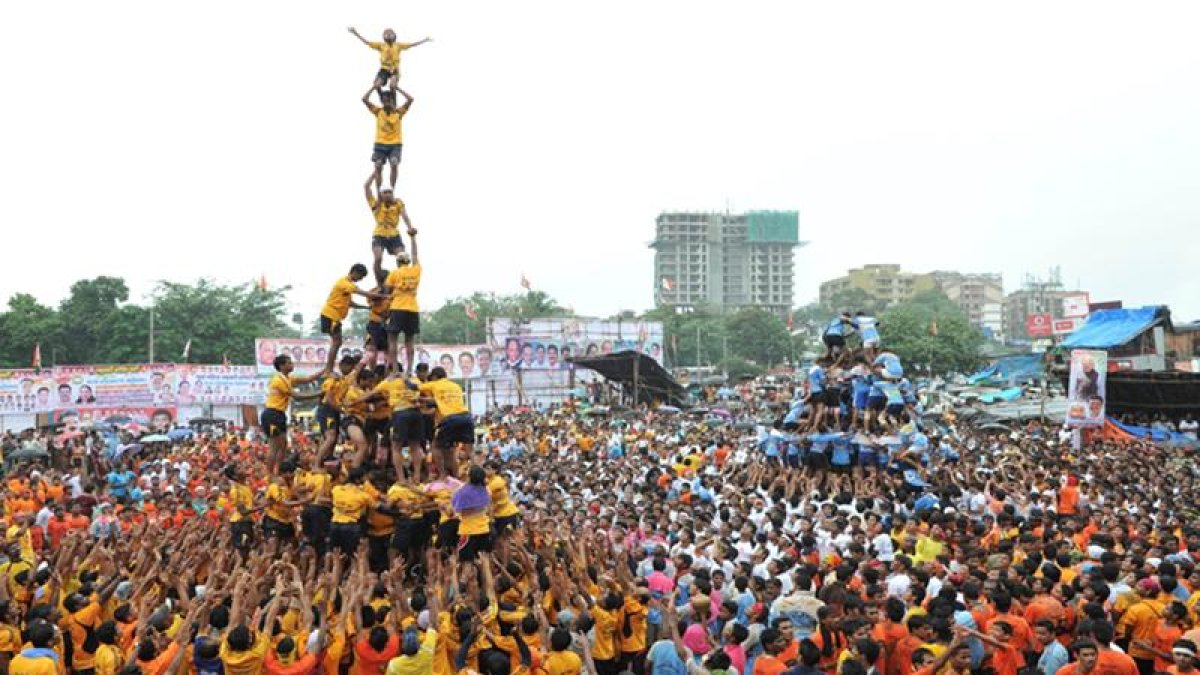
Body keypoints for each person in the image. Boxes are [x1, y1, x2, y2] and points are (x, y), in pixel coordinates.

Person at [261, 354, 328, 472]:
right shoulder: (278, 380)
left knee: (283, 445)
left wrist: (325, 370)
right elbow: (297, 396)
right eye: (289, 363)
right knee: (274, 446)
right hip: (272, 414)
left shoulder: (288, 378)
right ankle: (270, 474)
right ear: (281, 366)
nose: (292, 364)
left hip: (279, 414)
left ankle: (277, 471)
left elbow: (308, 379)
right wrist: (319, 393)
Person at [320, 264, 379, 375]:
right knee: (337, 342)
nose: (359, 280)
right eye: (360, 277)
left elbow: (350, 303)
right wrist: (380, 296)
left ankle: (329, 368)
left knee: (337, 342)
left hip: (334, 317)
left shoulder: (348, 285)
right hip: (330, 315)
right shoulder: (344, 283)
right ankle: (328, 369)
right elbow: (362, 292)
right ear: (354, 272)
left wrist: (366, 307)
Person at [419, 366, 472, 478]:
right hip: (466, 417)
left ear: (434, 377)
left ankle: (443, 475)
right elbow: (441, 400)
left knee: (435, 446)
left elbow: (416, 387)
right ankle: (457, 476)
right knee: (451, 450)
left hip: (450, 419)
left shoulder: (435, 384)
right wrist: (425, 401)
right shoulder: (455, 386)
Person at [362, 84, 413, 192]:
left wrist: (397, 88)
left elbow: (410, 99)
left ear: (392, 101)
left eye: (388, 101)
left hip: (395, 144)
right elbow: (364, 99)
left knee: (394, 163)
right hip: (380, 143)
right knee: (378, 165)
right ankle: (379, 191)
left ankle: (391, 189)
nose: (386, 103)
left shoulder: (398, 112)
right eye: (384, 101)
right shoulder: (378, 111)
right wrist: (373, 87)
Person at [346, 27, 431, 91]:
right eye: (386, 34)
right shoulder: (381, 45)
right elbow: (367, 42)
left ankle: (393, 98)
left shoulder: (398, 45)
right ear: (384, 36)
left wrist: (424, 40)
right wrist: (355, 33)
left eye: (390, 34)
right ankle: (382, 95)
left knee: (392, 86)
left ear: (394, 36)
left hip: (394, 69)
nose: (388, 35)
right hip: (384, 69)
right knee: (377, 85)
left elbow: (412, 44)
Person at [384, 229, 421, 374]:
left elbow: (387, 291)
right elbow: (415, 254)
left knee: (392, 339)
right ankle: (409, 370)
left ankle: (394, 370)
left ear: (398, 262)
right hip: (413, 308)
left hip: (398, 307)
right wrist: (413, 239)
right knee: (409, 341)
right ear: (408, 261)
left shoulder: (394, 273)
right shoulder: (416, 270)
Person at [365, 180, 413, 283]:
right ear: (381, 194)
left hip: (394, 234)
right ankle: (380, 284)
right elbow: (366, 187)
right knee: (378, 258)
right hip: (379, 234)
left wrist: (410, 227)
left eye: (389, 192)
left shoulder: (398, 202)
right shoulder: (376, 204)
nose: (387, 195)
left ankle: (403, 280)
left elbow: (405, 215)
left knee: (403, 257)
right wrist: (375, 172)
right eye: (385, 192)